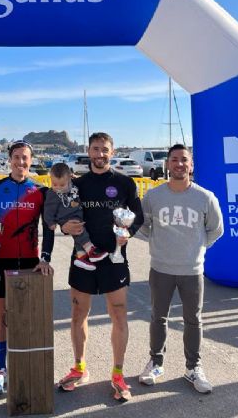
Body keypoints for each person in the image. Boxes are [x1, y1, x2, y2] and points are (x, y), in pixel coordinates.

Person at [58, 132, 144, 402]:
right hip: (82, 258)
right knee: (77, 314)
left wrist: (129, 234)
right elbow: (62, 214)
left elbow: (138, 216)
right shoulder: (77, 184)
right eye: (96, 149)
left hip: (114, 259)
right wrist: (63, 226)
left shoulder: (124, 183)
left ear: (112, 151)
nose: (100, 154)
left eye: (105, 150)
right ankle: (79, 367)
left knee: (118, 313)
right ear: (88, 150)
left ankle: (118, 374)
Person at [138, 144, 224, 394]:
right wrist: (156, 242)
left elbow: (216, 229)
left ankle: (193, 368)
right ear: (167, 164)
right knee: (158, 317)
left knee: (193, 320)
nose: (179, 164)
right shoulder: (153, 197)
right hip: (161, 268)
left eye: (184, 160)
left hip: (192, 269)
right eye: (174, 160)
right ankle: (156, 362)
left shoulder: (204, 197)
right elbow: (143, 225)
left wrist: (197, 247)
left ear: (191, 165)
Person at [0, 140, 54, 394]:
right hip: (3, 260)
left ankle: (25, 366)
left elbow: (48, 227)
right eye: (17, 157)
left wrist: (45, 257)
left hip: (31, 263)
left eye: (26, 158)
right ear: (9, 159)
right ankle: (1, 368)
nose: (21, 162)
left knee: (28, 317)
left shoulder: (41, 191)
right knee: (1, 316)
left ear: (31, 161)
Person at [43, 162, 108, 271]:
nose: (58, 188)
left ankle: (81, 257)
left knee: (78, 236)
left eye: (62, 185)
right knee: (80, 230)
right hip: (66, 217)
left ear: (69, 178)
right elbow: (48, 210)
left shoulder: (73, 185)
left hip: (76, 214)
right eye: (54, 184)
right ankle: (91, 250)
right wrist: (51, 223)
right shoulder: (52, 194)